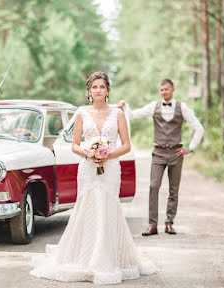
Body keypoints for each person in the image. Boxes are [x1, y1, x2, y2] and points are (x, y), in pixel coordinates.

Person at [30, 72, 156, 285]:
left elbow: (125, 145)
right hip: (87, 169)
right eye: (94, 87)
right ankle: (84, 257)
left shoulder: (117, 114)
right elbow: (75, 144)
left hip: (110, 169)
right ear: (89, 91)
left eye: (102, 87)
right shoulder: (81, 113)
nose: (98, 90)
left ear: (107, 91)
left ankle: (109, 258)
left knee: (108, 207)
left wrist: (107, 154)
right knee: (87, 207)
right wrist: (89, 153)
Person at [117, 79, 204, 236]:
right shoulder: (154, 106)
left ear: (173, 89)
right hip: (158, 153)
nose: (163, 92)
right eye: (161, 90)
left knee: (173, 189)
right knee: (153, 186)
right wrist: (125, 106)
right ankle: (153, 225)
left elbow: (199, 128)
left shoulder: (182, 107)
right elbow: (133, 115)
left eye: (166, 89)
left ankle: (169, 223)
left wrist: (190, 148)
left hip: (176, 154)